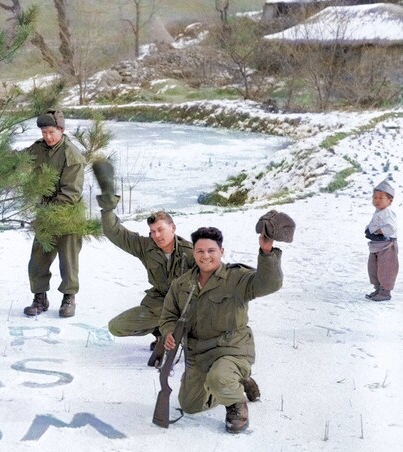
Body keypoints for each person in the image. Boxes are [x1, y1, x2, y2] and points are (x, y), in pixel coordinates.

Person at [160, 226, 282, 434]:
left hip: (232, 349)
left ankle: (236, 405)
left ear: (221, 252)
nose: (205, 256)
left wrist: (267, 251)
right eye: (200, 251)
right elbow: (168, 316)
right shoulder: (182, 285)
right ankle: (235, 382)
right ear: (193, 253)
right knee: (190, 405)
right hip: (199, 354)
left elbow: (269, 284)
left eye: (211, 251)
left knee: (219, 378)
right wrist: (169, 332)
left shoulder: (237, 278)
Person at [22, 109, 85, 318]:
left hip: (69, 214)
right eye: (43, 133)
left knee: (68, 260)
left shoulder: (72, 154)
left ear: (60, 129)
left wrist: (49, 211)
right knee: (38, 259)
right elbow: (19, 162)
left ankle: (69, 298)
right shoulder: (39, 149)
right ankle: (40, 298)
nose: (47, 137)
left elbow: (71, 193)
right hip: (45, 213)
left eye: (51, 132)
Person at [102, 208, 194, 347]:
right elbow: (117, 233)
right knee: (116, 326)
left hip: (187, 306)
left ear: (172, 228)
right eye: (152, 231)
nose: (156, 235)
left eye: (160, 229)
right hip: (160, 304)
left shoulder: (191, 252)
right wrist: (107, 209)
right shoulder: (146, 246)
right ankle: (162, 332)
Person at [365, 178, 397, 302]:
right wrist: (368, 230)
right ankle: (378, 288)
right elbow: (373, 224)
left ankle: (385, 292)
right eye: (375, 197)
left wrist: (379, 232)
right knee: (373, 268)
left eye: (380, 198)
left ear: (390, 201)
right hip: (376, 245)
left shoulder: (388, 213)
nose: (376, 200)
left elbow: (391, 227)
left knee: (386, 268)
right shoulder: (378, 212)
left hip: (387, 246)